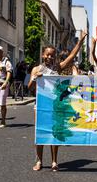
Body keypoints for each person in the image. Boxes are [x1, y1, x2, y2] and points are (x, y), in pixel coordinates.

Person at [29, 31, 88, 172]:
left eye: (52, 55)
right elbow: (30, 88)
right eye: (47, 54)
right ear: (43, 55)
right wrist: (34, 78)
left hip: (55, 105)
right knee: (40, 132)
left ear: (55, 56)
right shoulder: (36, 69)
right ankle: (39, 161)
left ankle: (55, 160)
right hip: (41, 105)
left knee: (55, 132)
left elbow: (72, 56)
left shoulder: (58, 68)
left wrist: (80, 41)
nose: (50, 57)